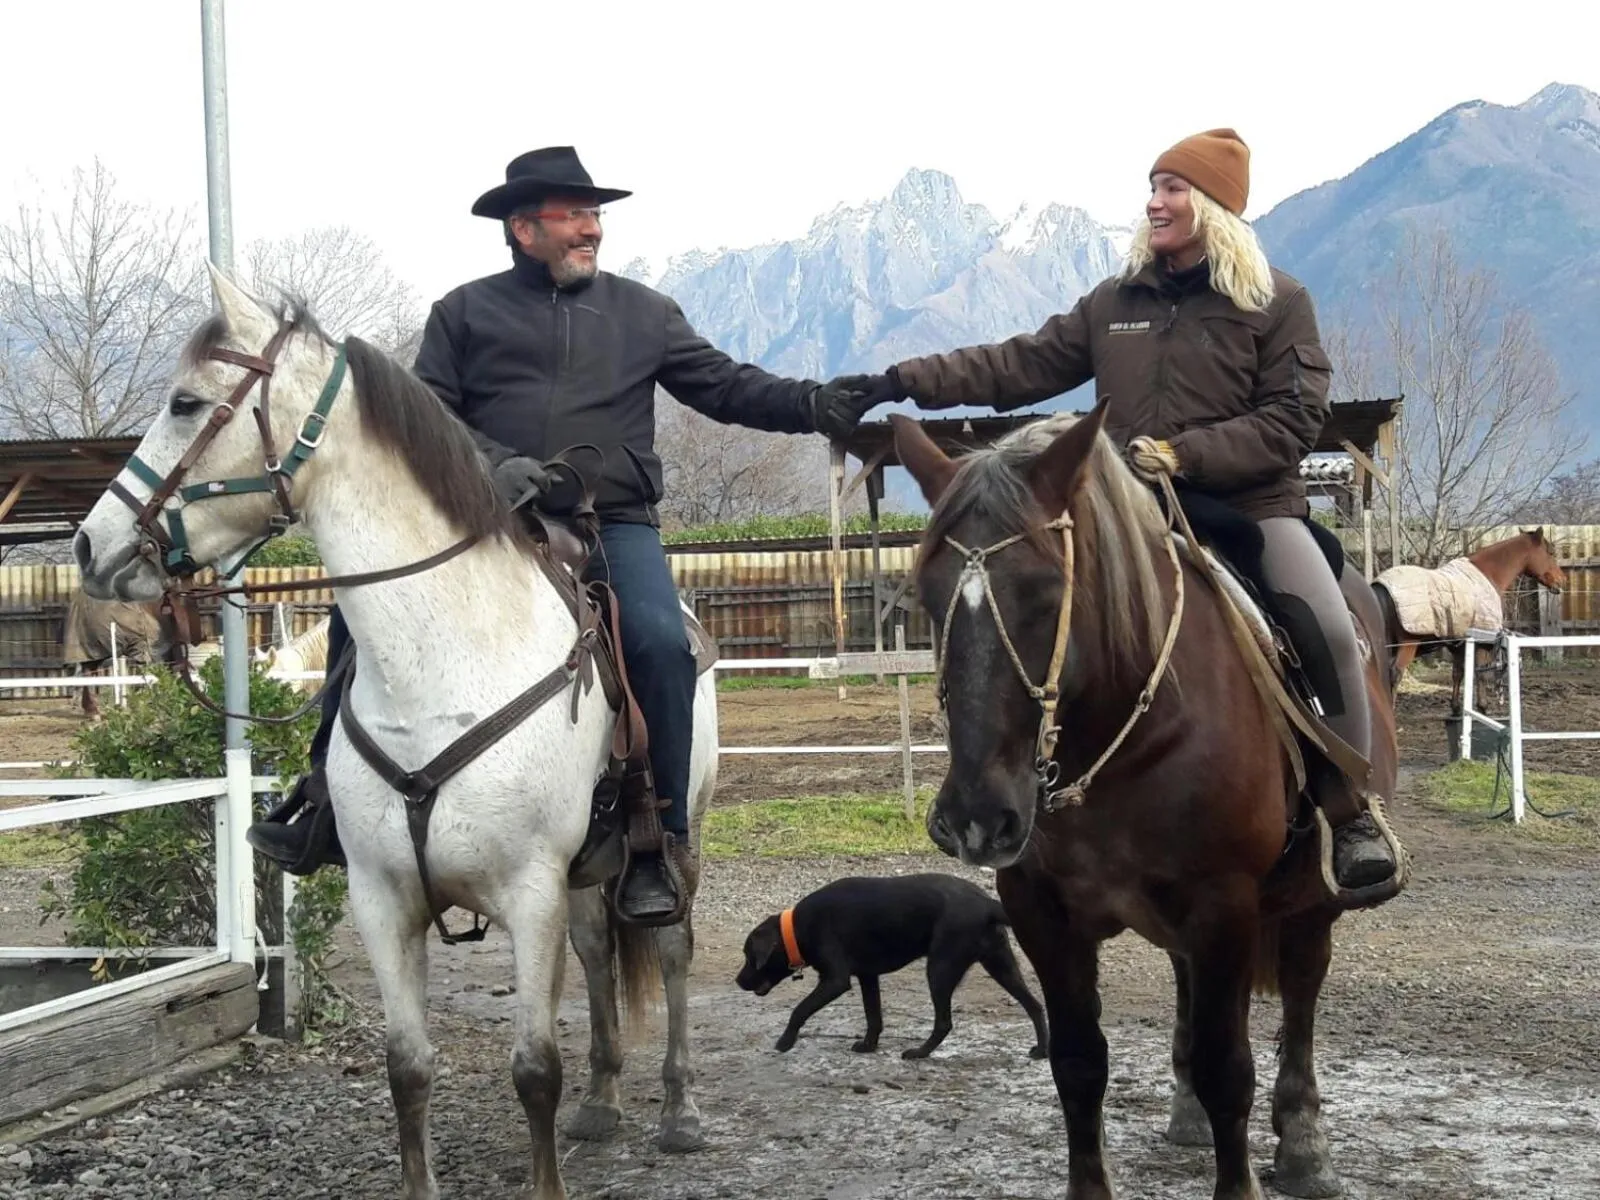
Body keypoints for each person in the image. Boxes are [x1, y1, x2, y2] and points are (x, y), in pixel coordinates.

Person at [247, 146, 876, 922]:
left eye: (596, 215)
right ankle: (320, 804)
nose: (592, 229)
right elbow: (425, 419)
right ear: (522, 227)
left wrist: (812, 403)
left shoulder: (645, 313)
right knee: (361, 614)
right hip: (486, 522)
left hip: (611, 523)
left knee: (657, 643)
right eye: (574, 216)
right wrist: (497, 465)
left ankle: (658, 836)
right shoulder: (463, 313)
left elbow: (726, 385)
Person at [825, 128, 1397, 892]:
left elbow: (1290, 422)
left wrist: (1187, 454)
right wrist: (902, 378)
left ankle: (1350, 810)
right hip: (1129, 509)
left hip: (1250, 506)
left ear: (1217, 206)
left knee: (1322, 615)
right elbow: (1018, 364)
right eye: (1153, 186)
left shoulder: (1277, 302)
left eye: (1173, 188)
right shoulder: (1113, 301)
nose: (1154, 202)